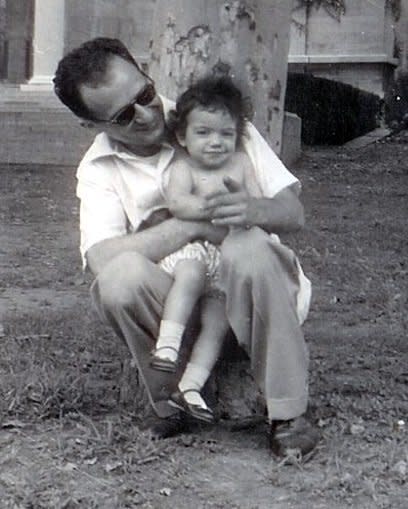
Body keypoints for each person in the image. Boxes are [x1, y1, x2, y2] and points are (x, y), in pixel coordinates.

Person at [53, 37, 319, 457]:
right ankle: (172, 400)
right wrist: (192, 221)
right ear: (93, 126)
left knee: (245, 249)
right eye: (124, 115)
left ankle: (288, 414)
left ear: (145, 74)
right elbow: (101, 258)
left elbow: (293, 212)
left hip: (256, 302)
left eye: (144, 94)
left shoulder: (212, 118)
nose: (145, 114)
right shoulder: (98, 169)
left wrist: (253, 207)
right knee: (120, 277)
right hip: (183, 312)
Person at [151, 76, 263, 423]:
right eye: (204, 133)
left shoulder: (242, 164)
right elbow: (179, 204)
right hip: (193, 250)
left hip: (225, 258)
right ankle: (168, 345)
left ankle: (192, 386)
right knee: (190, 274)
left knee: (219, 319)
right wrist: (214, 209)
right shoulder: (184, 168)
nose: (216, 142)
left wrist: (245, 205)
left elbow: (255, 201)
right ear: (182, 137)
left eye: (225, 134)